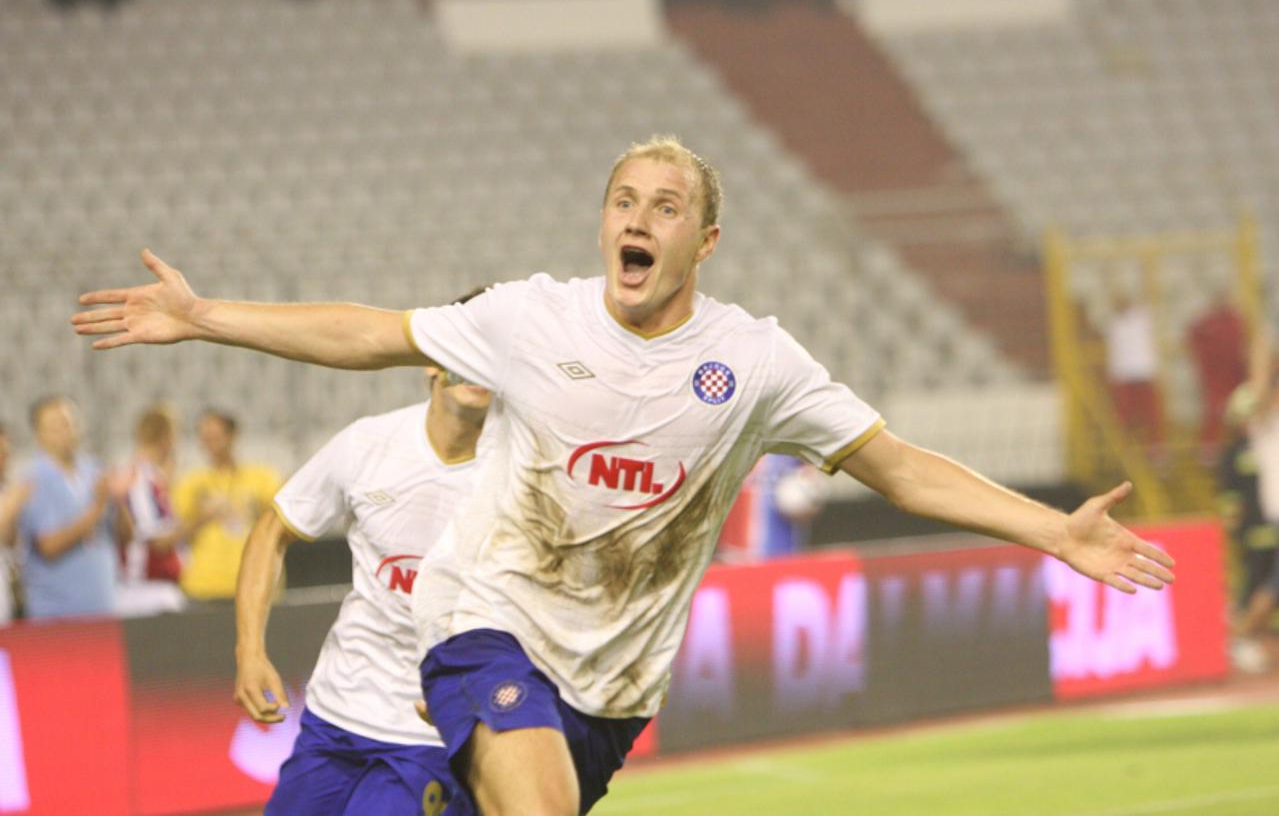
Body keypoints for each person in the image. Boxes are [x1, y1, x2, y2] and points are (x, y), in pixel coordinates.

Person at [73, 136, 1175, 815]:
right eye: (622, 199)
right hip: (482, 624)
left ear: (706, 240)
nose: (636, 218)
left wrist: (1052, 531)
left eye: (664, 206)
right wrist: (208, 316)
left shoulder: (754, 363)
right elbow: (370, 332)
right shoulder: (528, 317)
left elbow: (892, 464)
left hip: (611, 691)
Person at [235, 291, 491, 815]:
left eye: (491, 350)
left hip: (432, 734)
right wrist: (249, 652)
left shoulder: (523, 474)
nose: (473, 362)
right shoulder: (368, 443)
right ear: (427, 361)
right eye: (461, 344)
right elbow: (271, 530)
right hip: (332, 719)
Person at [16, 396, 132, 620]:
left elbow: (126, 537)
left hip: (103, 608)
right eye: (54, 426)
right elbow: (49, 547)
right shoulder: (34, 479)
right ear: (39, 435)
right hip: (57, 614)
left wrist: (118, 500)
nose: (64, 431)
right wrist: (97, 509)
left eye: (68, 423)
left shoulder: (95, 470)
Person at [173, 410, 282, 601]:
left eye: (215, 436)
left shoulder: (262, 477)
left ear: (232, 435)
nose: (210, 443)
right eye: (205, 437)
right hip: (204, 584)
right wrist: (204, 516)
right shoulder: (192, 481)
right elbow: (177, 534)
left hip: (255, 583)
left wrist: (252, 509)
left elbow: (280, 525)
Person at [1232, 327, 1279, 672]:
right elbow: (1262, 387)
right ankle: (1239, 638)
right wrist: (1263, 349)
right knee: (1274, 586)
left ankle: (1242, 638)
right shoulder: (1262, 413)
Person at [116, 404, 188, 617]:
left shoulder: (155, 478)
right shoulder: (139, 478)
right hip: (146, 592)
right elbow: (154, 539)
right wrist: (200, 520)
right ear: (166, 436)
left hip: (157, 587)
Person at [716, 454, 828, 561]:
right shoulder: (734, 446)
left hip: (782, 548)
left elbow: (812, 477)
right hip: (736, 549)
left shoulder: (791, 443)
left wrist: (808, 496)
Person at [1104, 288, 1165, 458]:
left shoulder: (1141, 317)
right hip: (1124, 374)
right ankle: (1125, 448)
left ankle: (1155, 448)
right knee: (1124, 416)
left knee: (1151, 415)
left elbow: (1152, 294)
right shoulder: (1113, 322)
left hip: (1144, 372)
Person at [1187, 290, 1248, 458]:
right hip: (1216, 380)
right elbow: (1193, 337)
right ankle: (1210, 449)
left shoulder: (1237, 321)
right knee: (1215, 412)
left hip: (1235, 378)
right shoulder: (1209, 322)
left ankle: (1243, 445)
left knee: (1241, 413)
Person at [0, 424, 33, 624]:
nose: (4, 460)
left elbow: (11, 542)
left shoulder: (8, 488)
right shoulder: (11, 497)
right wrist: (10, 508)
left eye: (5, 453)